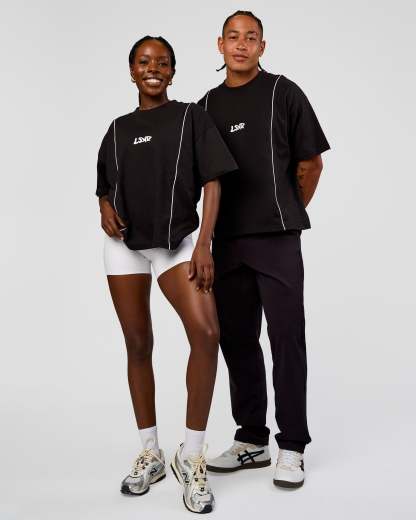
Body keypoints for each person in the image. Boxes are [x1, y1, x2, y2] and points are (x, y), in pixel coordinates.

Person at [96, 35, 237, 513]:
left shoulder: (191, 117)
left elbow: (213, 181)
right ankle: (150, 452)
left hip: (178, 243)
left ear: (172, 72)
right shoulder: (118, 129)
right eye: (143, 61)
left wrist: (204, 244)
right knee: (138, 344)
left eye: (162, 62)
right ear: (131, 71)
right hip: (125, 247)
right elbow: (104, 184)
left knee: (206, 333)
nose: (152, 68)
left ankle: (191, 455)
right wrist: (103, 207)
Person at [198, 11, 330, 488]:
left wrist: (285, 213)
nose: (241, 44)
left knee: (286, 339)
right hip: (226, 243)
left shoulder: (283, 92)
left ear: (262, 46)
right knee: (236, 340)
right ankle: (252, 439)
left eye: (250, 37)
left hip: (276, 239)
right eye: (233, 37)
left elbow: (311, 164)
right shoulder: (205, 106)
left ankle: (292, 445)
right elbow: (198, 177)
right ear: (219, 44)